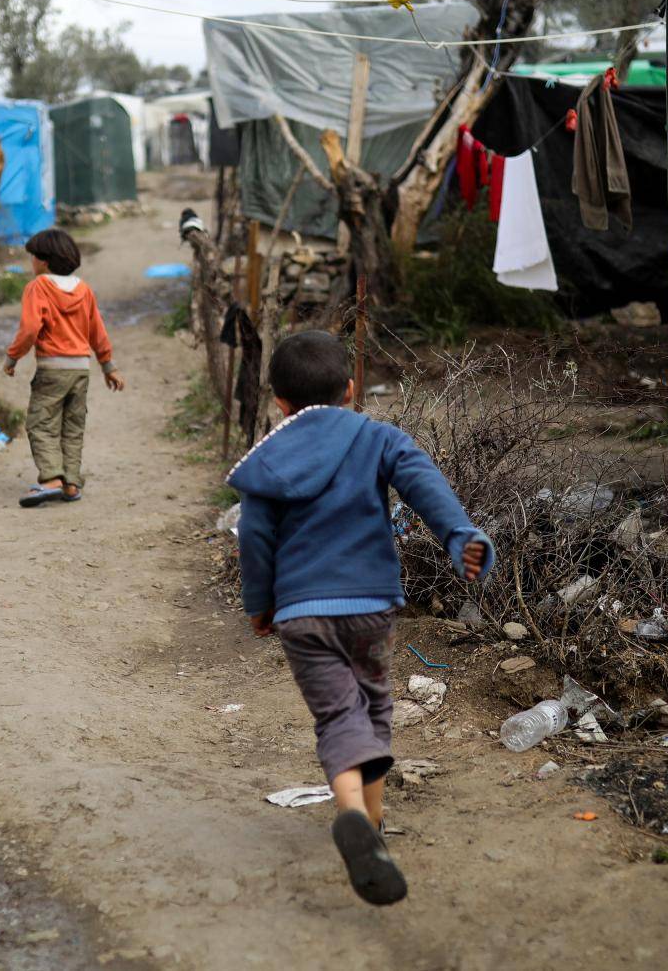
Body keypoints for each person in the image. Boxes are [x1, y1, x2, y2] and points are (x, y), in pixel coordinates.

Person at [228, 331, 493, 906]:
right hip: (370, 606)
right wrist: (459, 534)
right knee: (373, 704)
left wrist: (259, 604)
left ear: (279, 402)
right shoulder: (377, 437)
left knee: (337, 715)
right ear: (349, 389)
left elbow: (254, 537)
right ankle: (369, 825)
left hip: (300, 613)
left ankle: (354, 815)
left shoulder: (268, 458)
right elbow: (422, 481)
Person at [3, 228, 124, 507]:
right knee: (72, 427)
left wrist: (12, 357)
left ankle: (49, 480)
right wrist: (108, 366)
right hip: (81, 370)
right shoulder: (84, 289)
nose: (31, 263)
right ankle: (70, 483)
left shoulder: (38, 287)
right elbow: (97, 331)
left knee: (41, 424)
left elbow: (30, 328)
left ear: (43, 261)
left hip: (52, 369)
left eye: (32, 257)